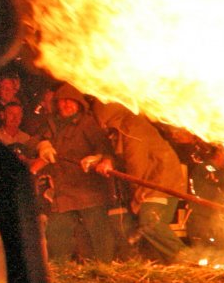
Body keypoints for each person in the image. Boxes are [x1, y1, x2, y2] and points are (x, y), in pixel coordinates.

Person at [87, 101, 190, 263]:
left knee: (150, 222)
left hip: (160, 182)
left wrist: (137, 197)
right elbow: (121, 157)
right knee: (146, 226)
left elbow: (136, 167)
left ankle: (187, 259)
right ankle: (170, 263)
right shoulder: (121, 128)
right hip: (151, 182)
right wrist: (105, 159)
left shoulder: (131, 127)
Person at [32, 83, 117, 263]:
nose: (66, 105)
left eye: (71, 101)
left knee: (98, 232)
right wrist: (43, 145)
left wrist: (98, 157)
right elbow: (33, 140)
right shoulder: (52, 123)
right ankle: (60, 272)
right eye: (62, 102)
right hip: (63, 191)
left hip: (88, 190)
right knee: (56, 232)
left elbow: (104, 146)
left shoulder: (87, 122)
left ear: (79, 104)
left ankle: (106, 268)